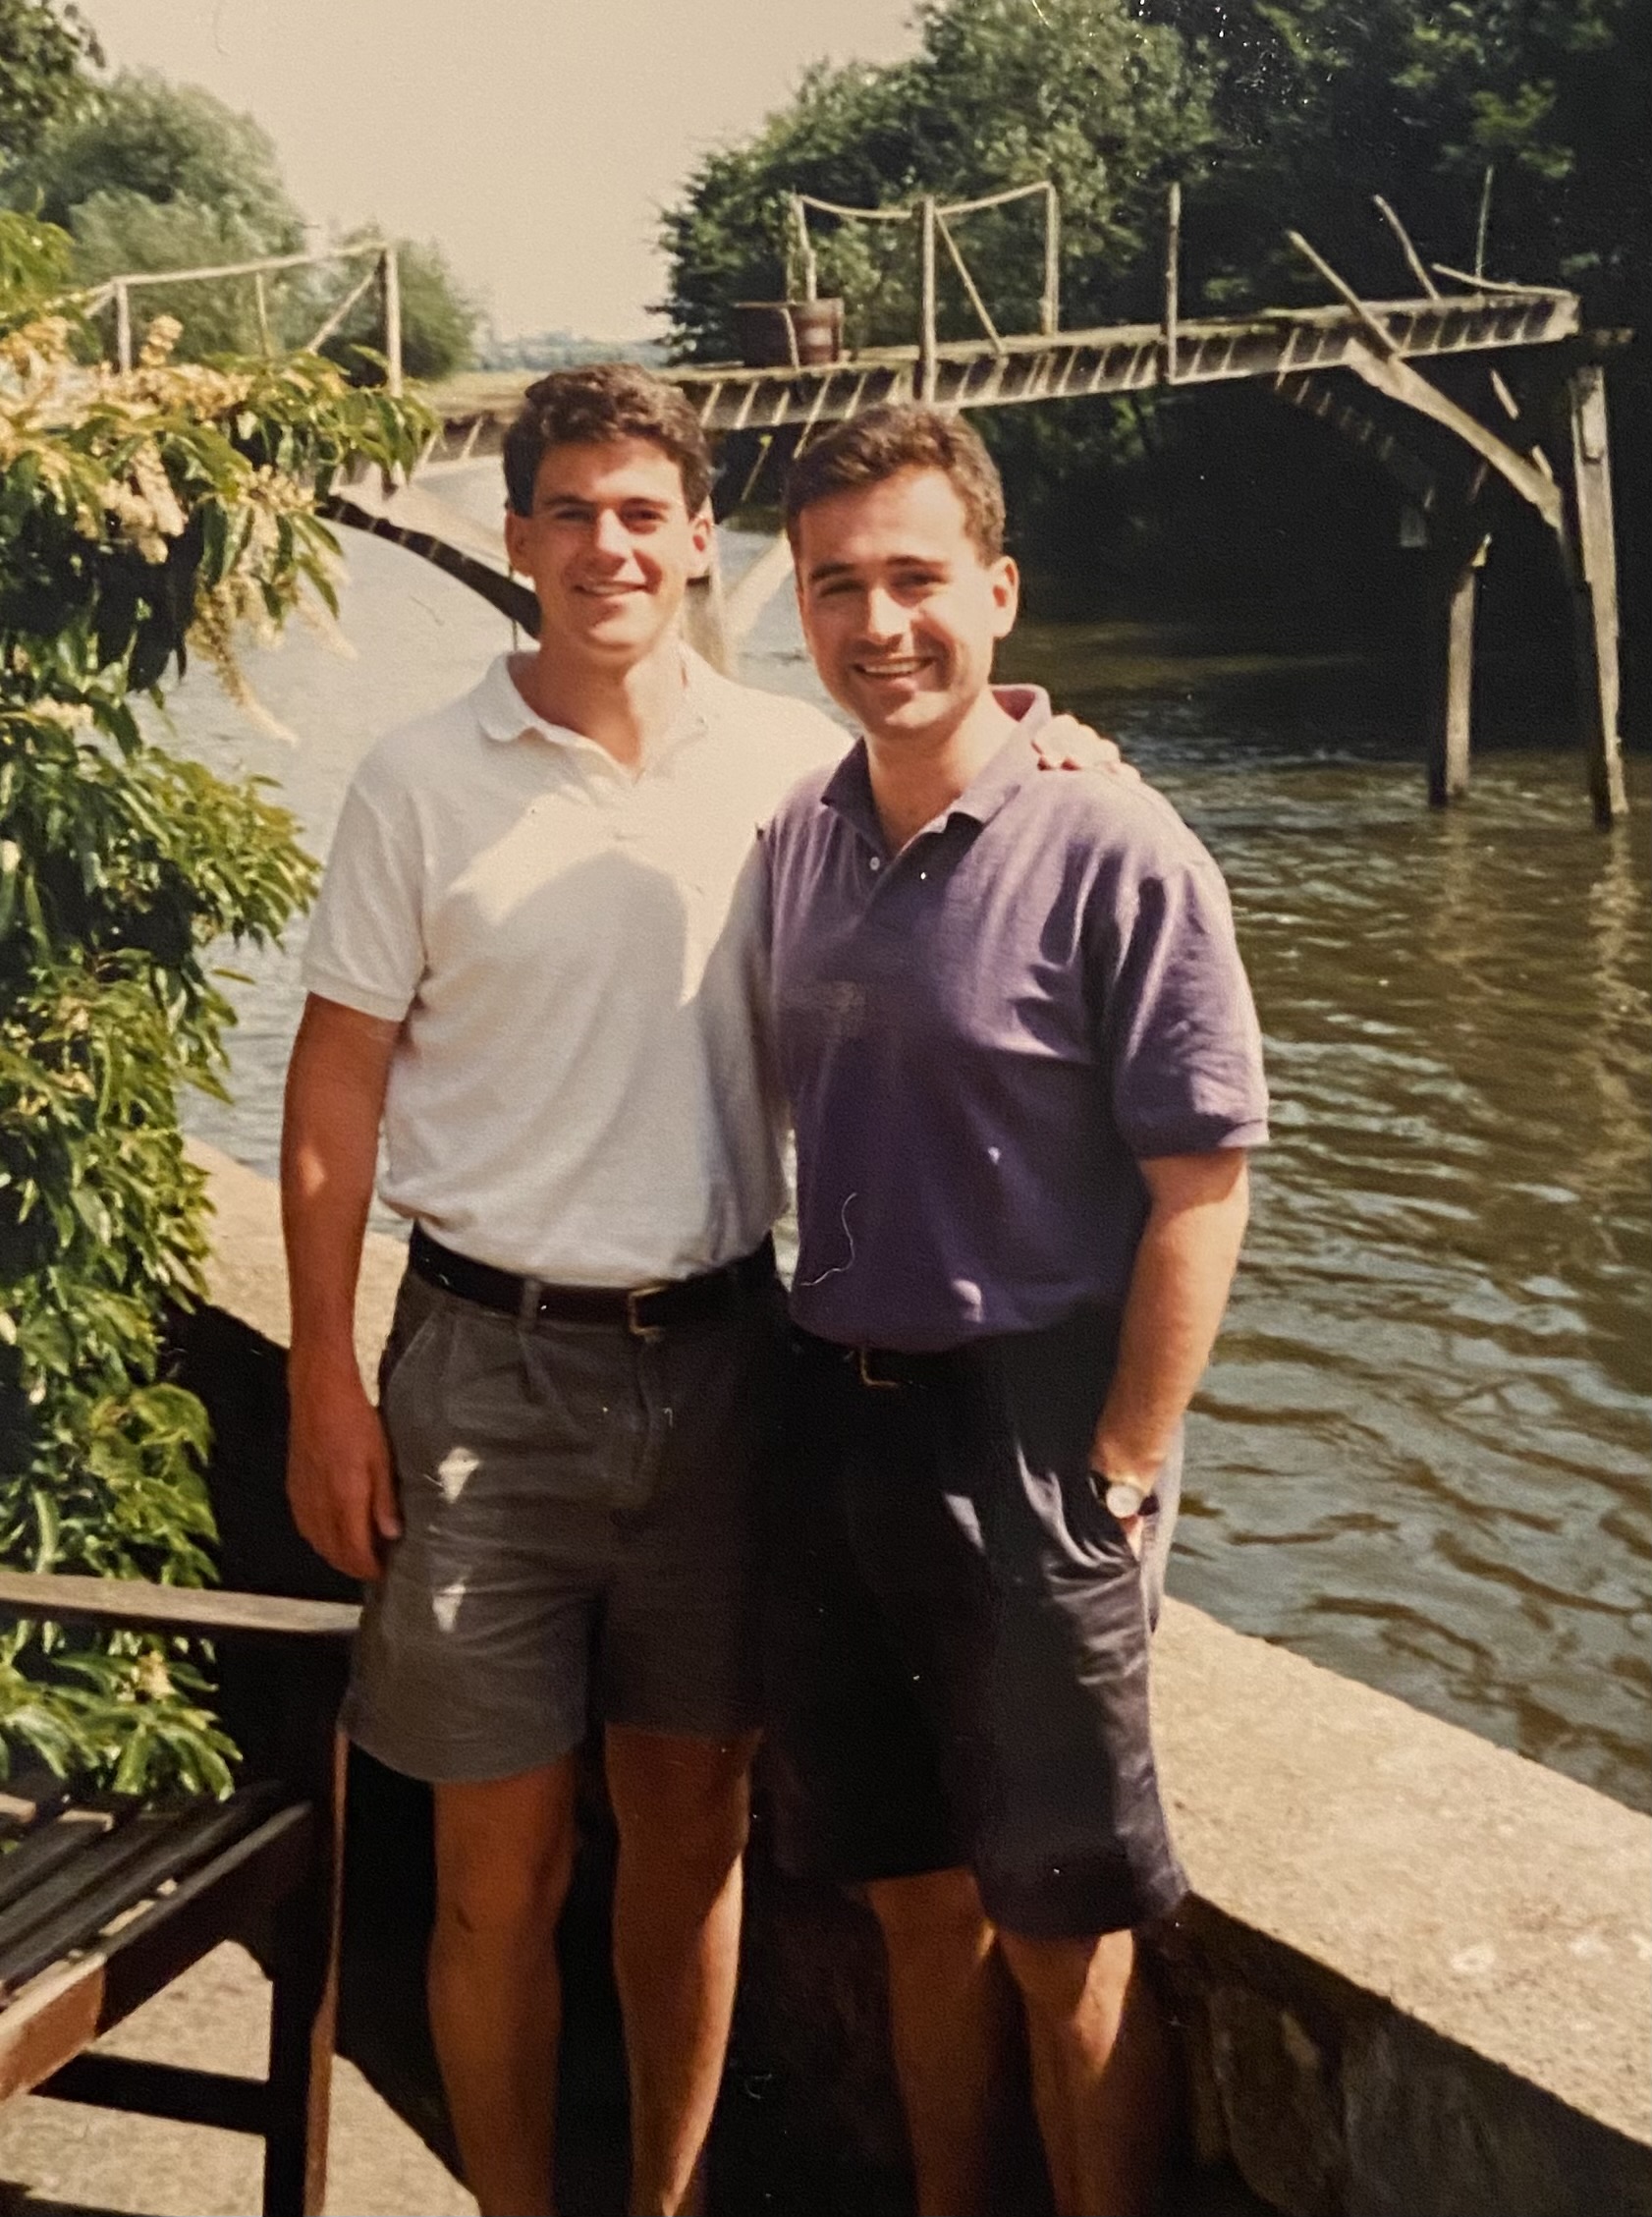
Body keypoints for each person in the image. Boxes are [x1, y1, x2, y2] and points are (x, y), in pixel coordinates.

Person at [280, 364, 1123, 2217]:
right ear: (515, 542)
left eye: (643, 511)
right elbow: (333, 1081)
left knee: (692, 1844)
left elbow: (960, 771)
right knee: (500, 1872)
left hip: (737, 1365)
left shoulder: (787, 771)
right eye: (569, 511)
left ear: (697, 544)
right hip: (482, 1375)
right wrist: (323, 1384)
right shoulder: (419, 777)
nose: (607, 545)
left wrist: (1063, 738)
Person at [760, 404, 1269, 2217]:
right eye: (837, 585)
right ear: (796, 607)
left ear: (997, 587)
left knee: (1066, 1938)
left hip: (1033, 1433)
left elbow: (1200, 1178)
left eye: (915, 577)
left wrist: (1123, 1459)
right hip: (841, 1418)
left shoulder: (1121, 848)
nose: (879, 621)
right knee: (913, 1903)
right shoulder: (798, 843)